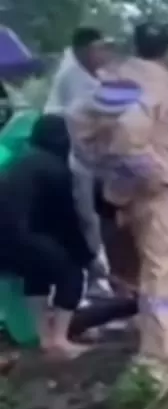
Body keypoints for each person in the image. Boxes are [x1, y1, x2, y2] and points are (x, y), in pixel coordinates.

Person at [69, 22, 168, 386]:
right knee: (162, 275)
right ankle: (156, 365)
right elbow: (130, 135)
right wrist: (153, 174)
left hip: (133, 190)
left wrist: (104, 166)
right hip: (156, 191)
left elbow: (79, 118)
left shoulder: (120, 77)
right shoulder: (155, 82)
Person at [0, 114, 96, 358]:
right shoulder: (56, 169)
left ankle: (45, 338)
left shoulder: (22, 163)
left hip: (7, 238)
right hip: (22, 235)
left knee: (37, 273)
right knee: (71, 273)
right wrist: (85, 255)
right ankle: (60, 340)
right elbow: (66, 222)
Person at [46, 26, 111, 286]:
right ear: (83, 51)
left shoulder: (95, 74)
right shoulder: (72, 76)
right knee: (85, 213)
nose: (103, 54)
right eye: (99, 49)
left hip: (89, 147)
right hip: (68, 148)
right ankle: (96, 269)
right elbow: (85, 121)